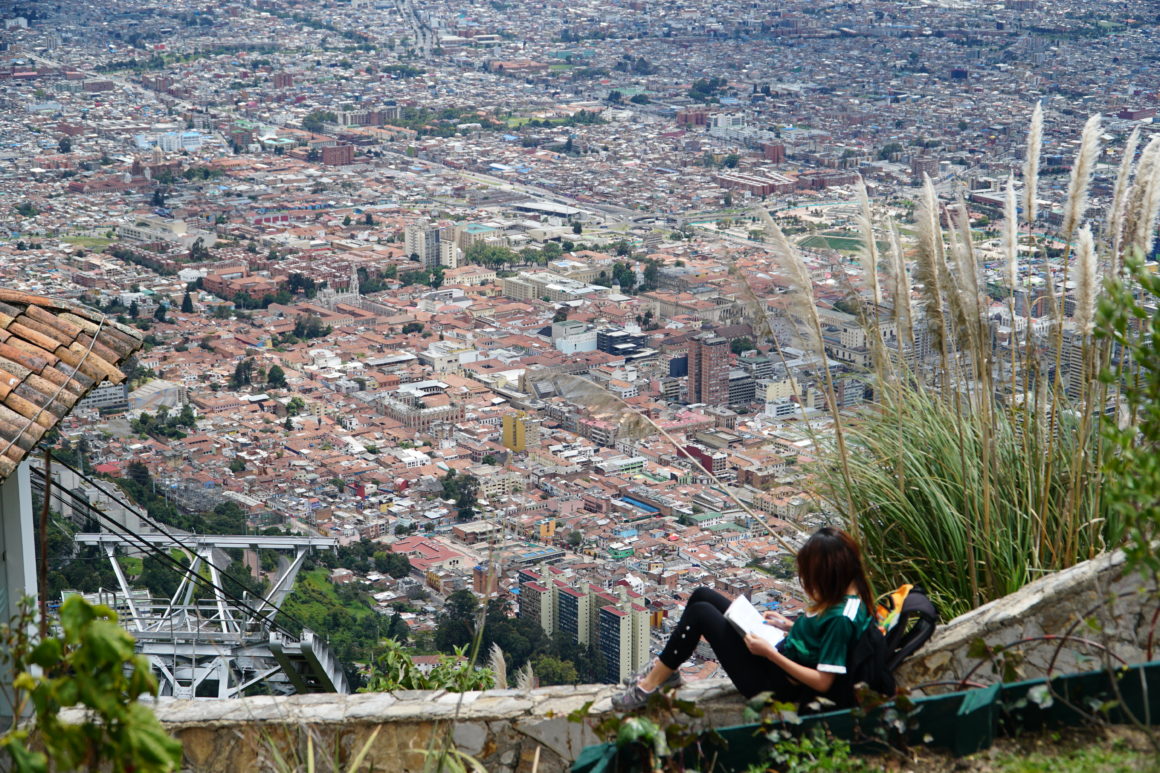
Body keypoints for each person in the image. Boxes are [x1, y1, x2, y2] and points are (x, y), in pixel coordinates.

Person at [612, 527, 875, 711]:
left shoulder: (843, 617)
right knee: (702, 594)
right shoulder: (848, 598)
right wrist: (789, 627)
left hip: (773, 685)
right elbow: (823, 639)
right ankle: (665, 672)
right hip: (778, 654)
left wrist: (770, 654)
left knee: (701, 614)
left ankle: (648, 687)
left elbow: (823, 681)